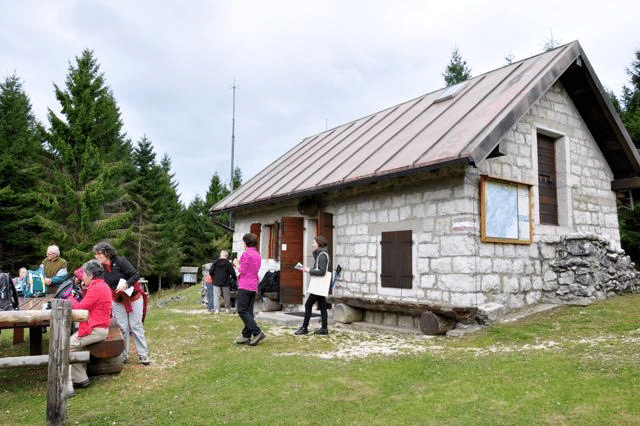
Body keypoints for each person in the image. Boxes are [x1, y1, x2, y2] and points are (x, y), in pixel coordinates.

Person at [93, 241, 150, 365]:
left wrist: (126, 284)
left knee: (136, 326)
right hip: (117, 300)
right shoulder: (100, 269)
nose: (97, 257)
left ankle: (143, 355)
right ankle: (123, 355)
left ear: (107, 253)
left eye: (99, 254)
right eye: (96, 255)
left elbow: (135, 275)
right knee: (122, 328)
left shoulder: (120, 262)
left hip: (133, 297)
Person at [66, 260, 112, 397]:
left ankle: (66, 386)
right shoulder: (100, 285)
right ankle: (80, 379)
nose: (83, 277)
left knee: (66, 346)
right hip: (99, 327)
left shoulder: (97, 288)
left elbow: (80, 307)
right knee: (74, 346)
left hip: (96, 329)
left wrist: (70, 298)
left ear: (91, 275)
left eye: (84, 275)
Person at [294, 236, 331, 336]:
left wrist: (308, 270)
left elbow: (322, 272)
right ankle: (324, 328)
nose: (312, 244)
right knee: (322, 305)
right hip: (319, 285)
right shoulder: (321, 254)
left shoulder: (322, 255)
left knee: (308, 304)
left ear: (319, 243)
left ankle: (304, 327)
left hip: (318, 285)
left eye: (314, 242)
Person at [233, 233, 265, 346]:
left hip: (245, 285)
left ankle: (257, 332)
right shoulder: (257, 254)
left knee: (242, 310)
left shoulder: (246, 254)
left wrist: (236, 264)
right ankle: (246, 336)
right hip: (253, 285)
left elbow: (243, 270)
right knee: (249, 311)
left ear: (246, 243)